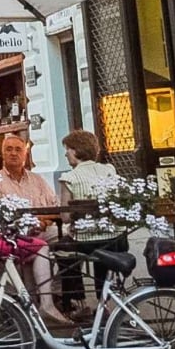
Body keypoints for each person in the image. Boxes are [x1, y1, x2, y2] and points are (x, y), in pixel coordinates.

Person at [0, 134, 66, 325]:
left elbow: (55, 209)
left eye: (18, 149)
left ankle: (60, 293)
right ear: (2, 153)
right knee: (39, 248)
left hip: (41, 229)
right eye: (9, 149)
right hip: (12, 234)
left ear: (25, 153)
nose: (13, 153)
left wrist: (42, 222)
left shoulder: (37, 180)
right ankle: (39, 302)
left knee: (70, 240)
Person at [58, 129, 126, 318]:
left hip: (86, 241)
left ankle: (78, 301)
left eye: (67, 149)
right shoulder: (109, 170)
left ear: (76, 150)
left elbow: (65, 217)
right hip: (116, 239)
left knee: (62, 252)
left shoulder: (69, 178)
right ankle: (104, 302)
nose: (66, 154)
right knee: (102, 251)